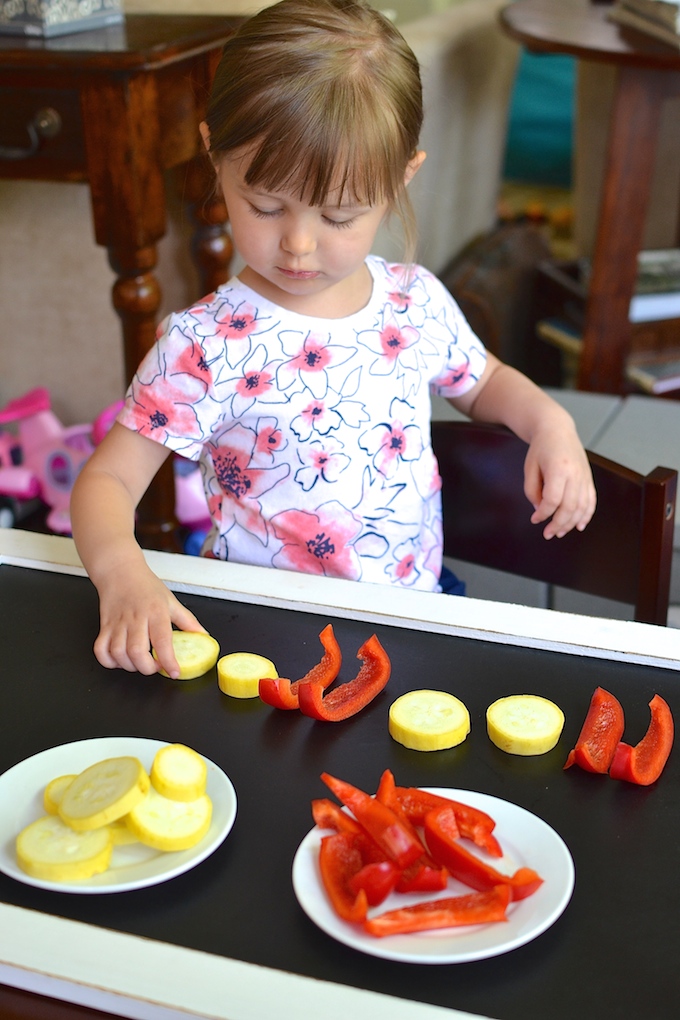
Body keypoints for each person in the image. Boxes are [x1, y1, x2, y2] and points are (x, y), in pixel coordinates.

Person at [71, 0, 596, 680]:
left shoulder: (413, 301)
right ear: (213, 151)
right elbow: (108, 479)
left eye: (340, 215)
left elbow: (486, 381)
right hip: (260, 637)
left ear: (401, 177)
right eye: (265, 206)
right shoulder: (205, 344)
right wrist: (122, 573)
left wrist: (551, 422)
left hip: (412, 614)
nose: (297, 243)